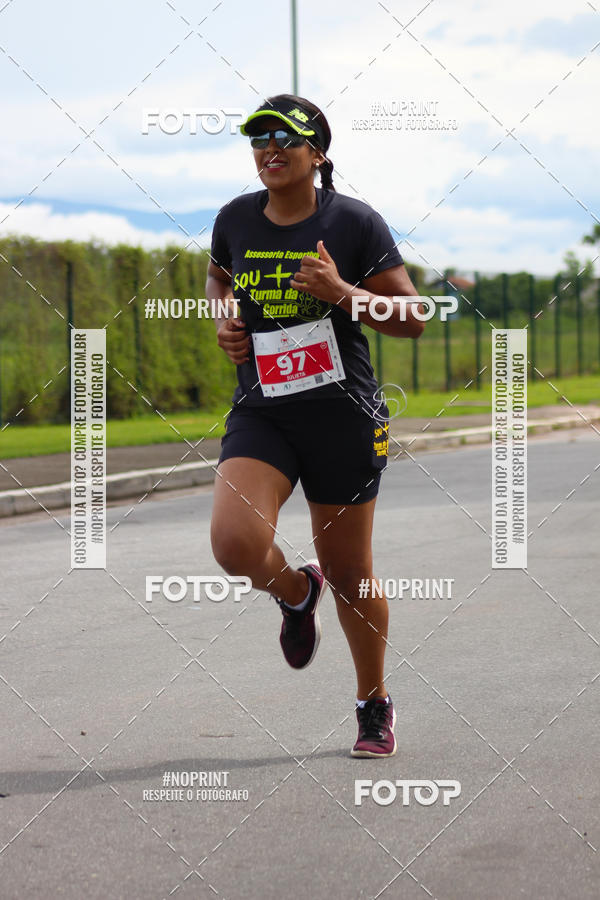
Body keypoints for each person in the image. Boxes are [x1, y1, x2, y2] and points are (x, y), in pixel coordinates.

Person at [206, 93, 424, 757]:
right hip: (263, 410)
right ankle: (298, 594)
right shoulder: (235, 218)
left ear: (317, 154)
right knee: (235, 544)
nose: (270, 149)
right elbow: (218, 280)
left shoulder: (354, 222)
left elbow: (412, 318)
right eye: (259, 139)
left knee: (351, 573)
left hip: (341, 417)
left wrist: (343, 293)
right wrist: (224, 319)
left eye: (286, 138)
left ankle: (372, 702)